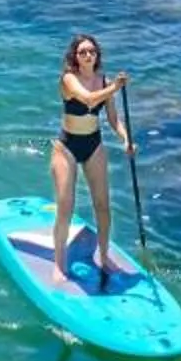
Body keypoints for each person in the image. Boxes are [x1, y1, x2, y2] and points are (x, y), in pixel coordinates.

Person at [51, 33, 132, 289]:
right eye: (83, 52)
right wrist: (115, 88)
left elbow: (113, 119)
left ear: (97, 55)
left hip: (94, 144)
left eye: (92, 51)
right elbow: (87, 99)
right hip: (67, 147)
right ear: (75, 57)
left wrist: (126, 139)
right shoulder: (68, 79)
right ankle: (59, 263)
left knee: (103, 206)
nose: (88, 55)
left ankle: (105, 256)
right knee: (66, 205)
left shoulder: (104, 81)